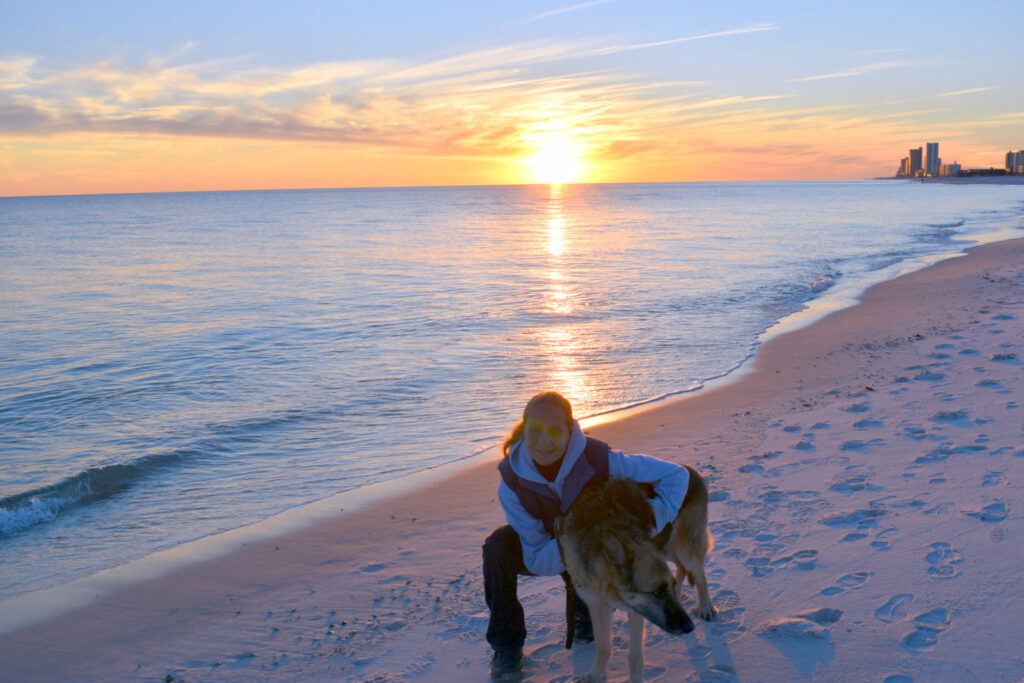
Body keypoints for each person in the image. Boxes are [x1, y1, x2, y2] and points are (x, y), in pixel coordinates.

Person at [483, 391, 690, 681]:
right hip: (559, 548)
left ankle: (585, 614)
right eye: (536, 431)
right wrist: (580, 538)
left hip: (606, 545)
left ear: (570, 430)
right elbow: (537, 557)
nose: (545, 441)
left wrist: (642, 527)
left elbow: (677, 477)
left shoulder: (600, 460)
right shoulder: (512, 483)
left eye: (555, 431)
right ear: (524, 429)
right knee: (498, 546)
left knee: (595, 606)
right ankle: (506, 646)